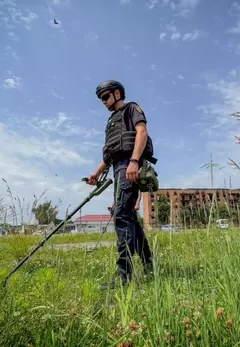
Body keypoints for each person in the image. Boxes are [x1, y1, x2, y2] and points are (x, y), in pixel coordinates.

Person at [86, 80, 154, 290]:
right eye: (101, 99)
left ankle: (124, 275)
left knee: (122, 216)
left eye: (106, 97)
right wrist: (95, 174)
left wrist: (134, 161)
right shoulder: (111, 122)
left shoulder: (131, 109)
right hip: (118, 169)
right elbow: (109, 155)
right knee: (129, 218)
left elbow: (141, 133)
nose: (104, 102)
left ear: (117, 93)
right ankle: (148, 264)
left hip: (129, 166)